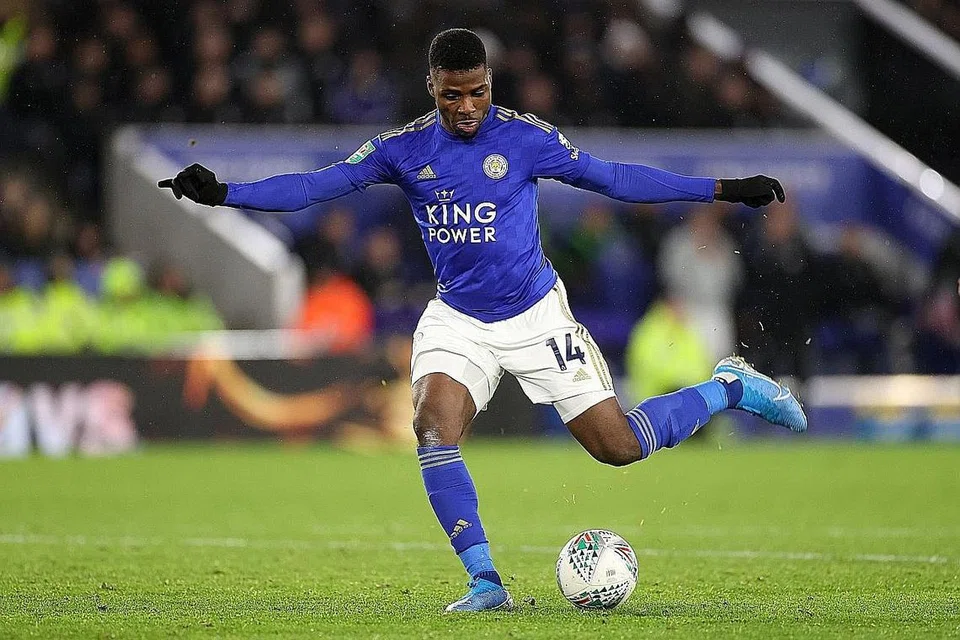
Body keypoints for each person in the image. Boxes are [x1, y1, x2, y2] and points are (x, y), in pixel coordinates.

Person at [159, 28, 806, 613]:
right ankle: (485, 581)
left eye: (478, 92)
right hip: (458, 318)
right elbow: (313, 187)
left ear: (490, 85)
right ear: (432, 90)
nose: (467, 107)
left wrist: (719, 190)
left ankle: (729, 385)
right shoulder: (402, 149)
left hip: (536, 314)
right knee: (432, 427)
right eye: (452, 95)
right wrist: (225, 195)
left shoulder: (524, 137)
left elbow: (614, 179)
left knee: (618, 446)